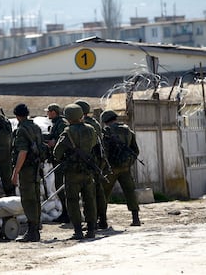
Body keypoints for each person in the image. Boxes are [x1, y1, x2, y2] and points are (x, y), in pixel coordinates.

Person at [54, 104, 97, 239]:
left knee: (72, 201)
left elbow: (57, 153)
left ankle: (78, 231)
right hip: (87, 170)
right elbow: (95, 144)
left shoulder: (67, 132)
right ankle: (91, 230)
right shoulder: (91, 130)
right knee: (89, 199)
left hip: (72, 172)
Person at [100, 109, 141, 226]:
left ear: (105, 120)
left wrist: (102, 168)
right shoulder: (128, 130)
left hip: (110, 168)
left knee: (103, 194)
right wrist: (128, 163)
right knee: (130, 192)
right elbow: (135, 151)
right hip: (125, 168)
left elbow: (104, 152)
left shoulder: (106, 131)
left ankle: (102, 220)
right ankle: (135, 218)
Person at [74, 99, 108, 229]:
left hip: (89, 161)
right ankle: (102, 219)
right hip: (98, 160)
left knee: (89, 194)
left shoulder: (85, 125)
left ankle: (92, 221)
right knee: (98, 191)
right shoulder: (95, 123)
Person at [11, 103, 42, 242]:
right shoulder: (35, 127)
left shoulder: (22, 130)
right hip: (36, 167)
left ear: (17, 116)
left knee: (29, 199)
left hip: (27, 169)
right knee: (35, 198)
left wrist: (15, 172)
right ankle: (35, 230)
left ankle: (32, 232)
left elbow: (22, 152)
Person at [44, 103, 70, 223]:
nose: (47, 114)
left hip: (62, 160)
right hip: (59, 160)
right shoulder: (57, 123)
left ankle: (67, 213)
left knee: (62, 186)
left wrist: (54, 143)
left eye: (49, 112)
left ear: (53, 112)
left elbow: (63, 140)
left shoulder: (62, 124)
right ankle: (66, 212)